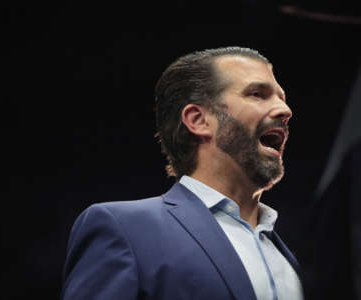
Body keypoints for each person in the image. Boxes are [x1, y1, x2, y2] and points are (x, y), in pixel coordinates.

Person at [61, 47, 304, 300]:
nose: (285, 110)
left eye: (281, 98)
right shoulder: (126, 228)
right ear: (198, 120)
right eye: (257, 94)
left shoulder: (287, 257)